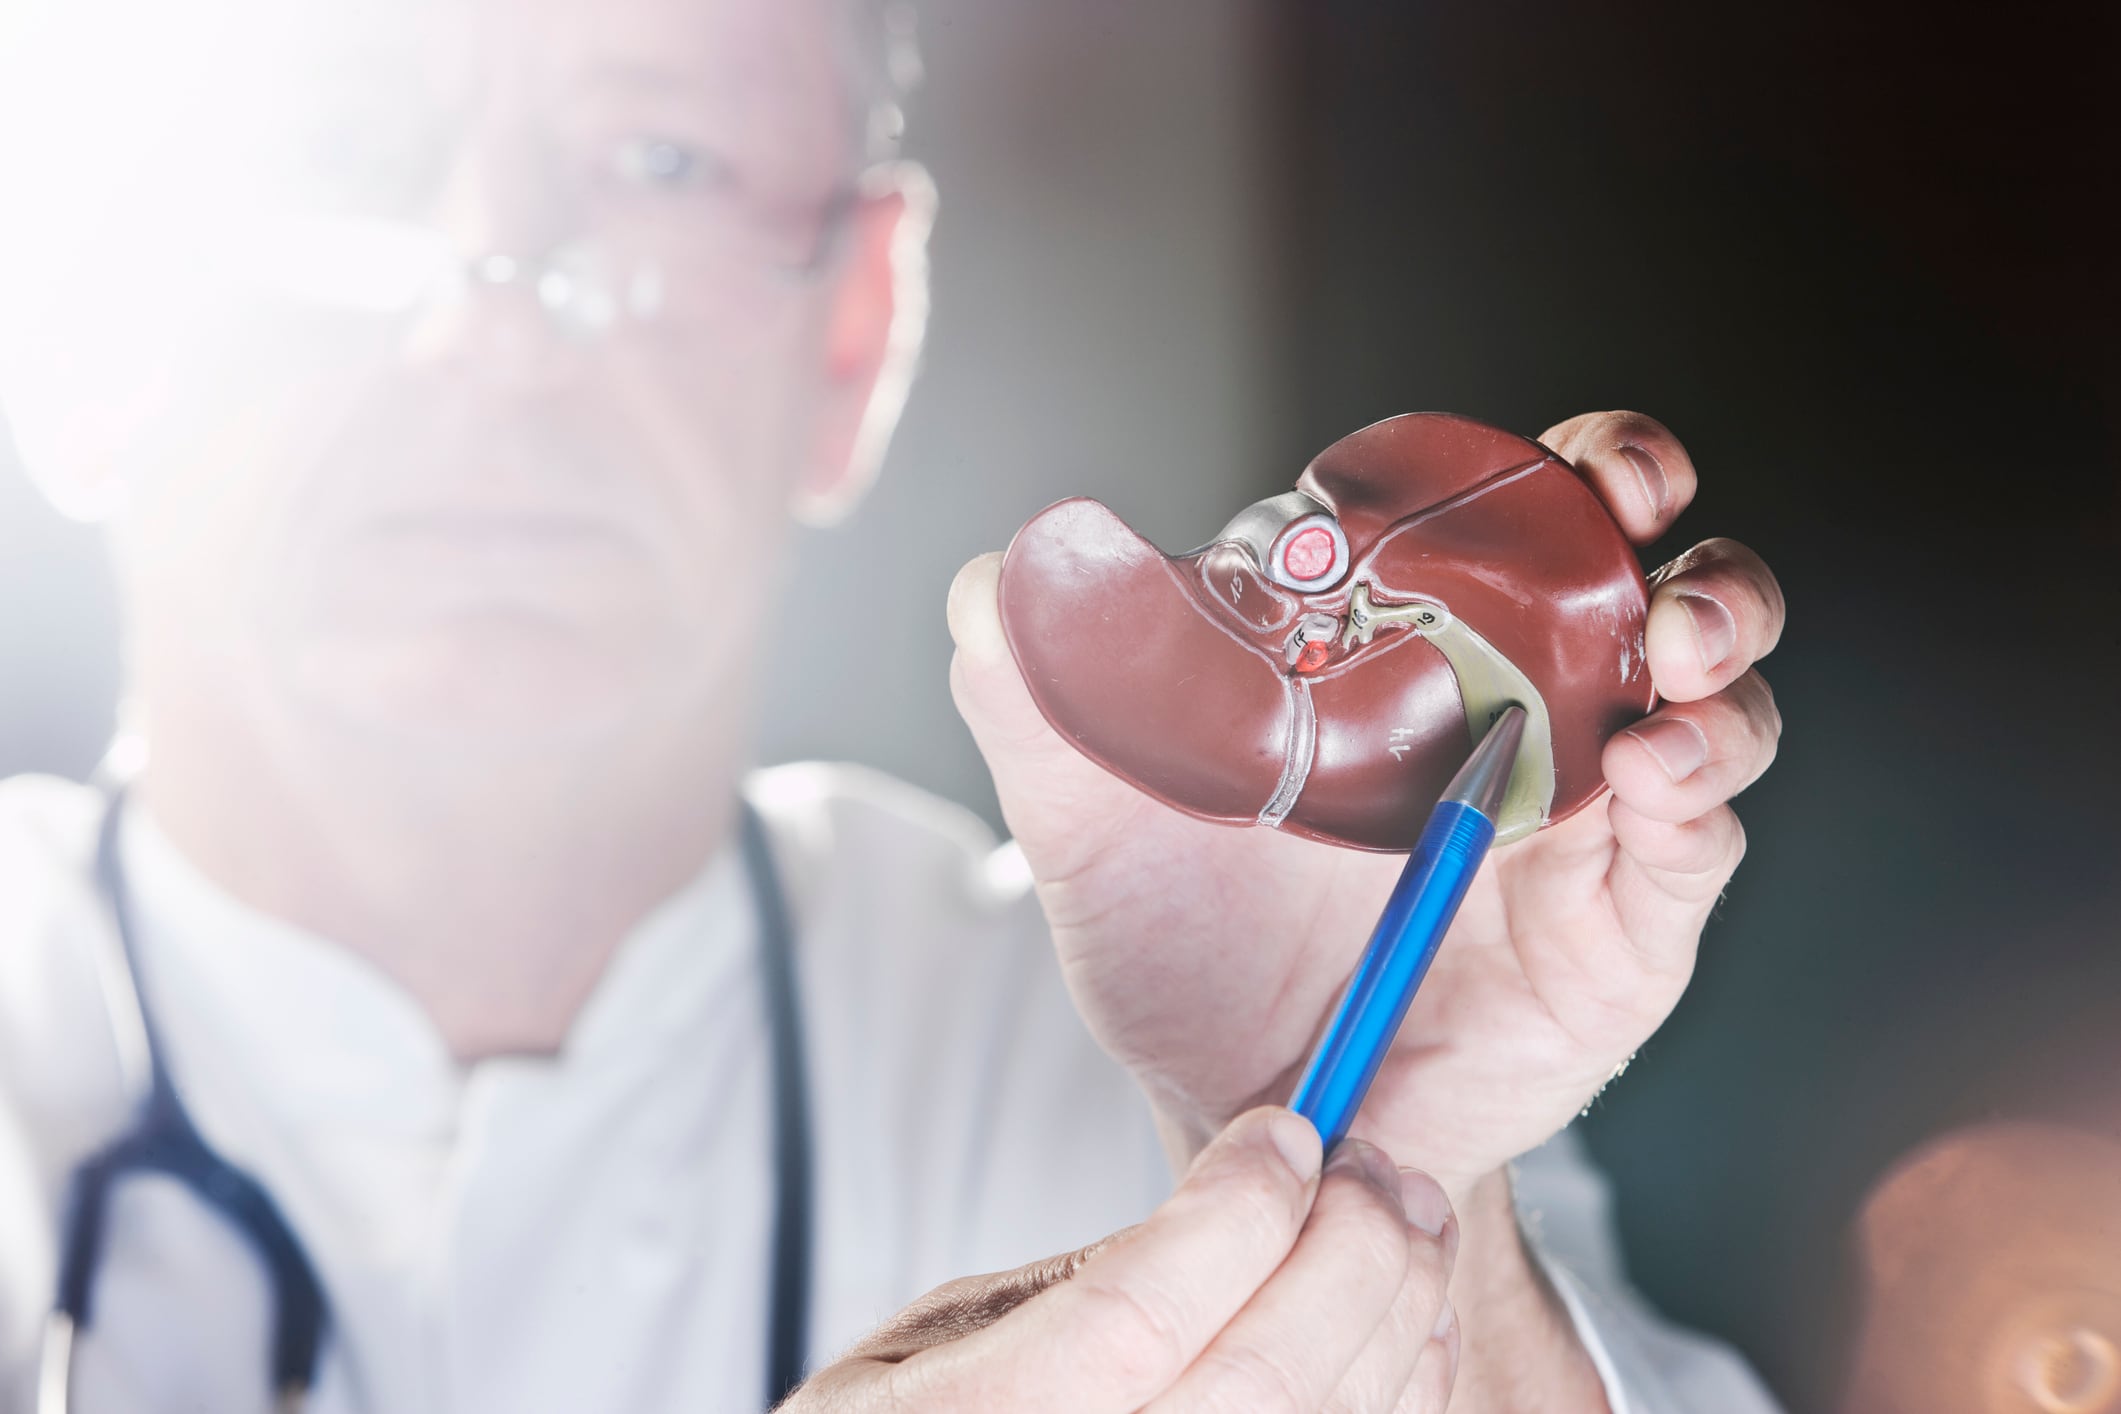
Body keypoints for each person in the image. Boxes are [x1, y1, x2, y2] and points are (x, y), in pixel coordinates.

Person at [0, 0, 1787, 1409]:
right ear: (80, 315)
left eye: (661, 157)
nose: (494, 313)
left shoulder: (1145, 1022)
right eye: (337, 145)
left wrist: (1381, 1167)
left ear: (852, 331)